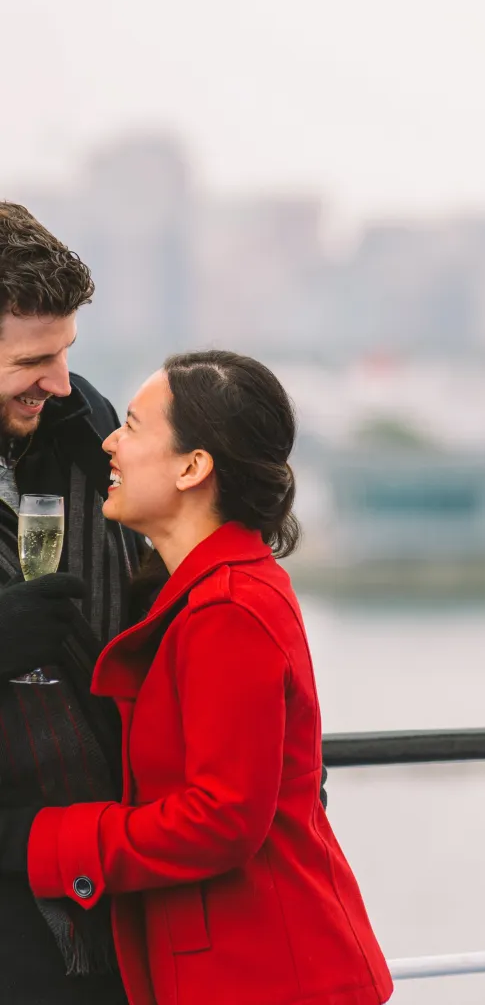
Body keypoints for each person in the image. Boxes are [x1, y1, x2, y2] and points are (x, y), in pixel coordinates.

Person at [26, 350, 394, 1005]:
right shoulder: (215, 592)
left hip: (266, 975)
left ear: (193, 467)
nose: (109, 442)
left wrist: (49, 841)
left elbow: (222, 819)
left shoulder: (228, 609)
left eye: (132, 426)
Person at [0, 202, 142, 1004]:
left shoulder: (85, 418)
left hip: (114, 890)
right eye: (33, 360)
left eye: (65, 353)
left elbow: (160, 583)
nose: (58, 381)